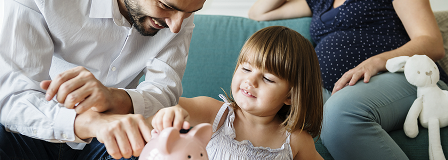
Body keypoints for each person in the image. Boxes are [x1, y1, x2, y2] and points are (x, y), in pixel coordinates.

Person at [0, 0, 206, 159]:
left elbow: (164, 93)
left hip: (109, 144)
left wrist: (114, 98)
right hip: (30, 131)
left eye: (190, 13)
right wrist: (90, 122)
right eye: (165, 5)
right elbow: (11, 97)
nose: (177, 26)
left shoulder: (178, 12)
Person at [248, 0, 446, 159]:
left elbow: (432, 42)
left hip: (402, 76)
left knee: (339, 114)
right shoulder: (319, 2)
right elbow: (258, 12)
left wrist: (377, 62)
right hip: (334, 89)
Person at [150, 26, 324, 160]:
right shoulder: (216, 114)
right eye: (246, 69)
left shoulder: (296, 140)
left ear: (290, 96)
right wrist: (172, 110)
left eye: (268, 79)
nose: (250, 81)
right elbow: (163, 105)